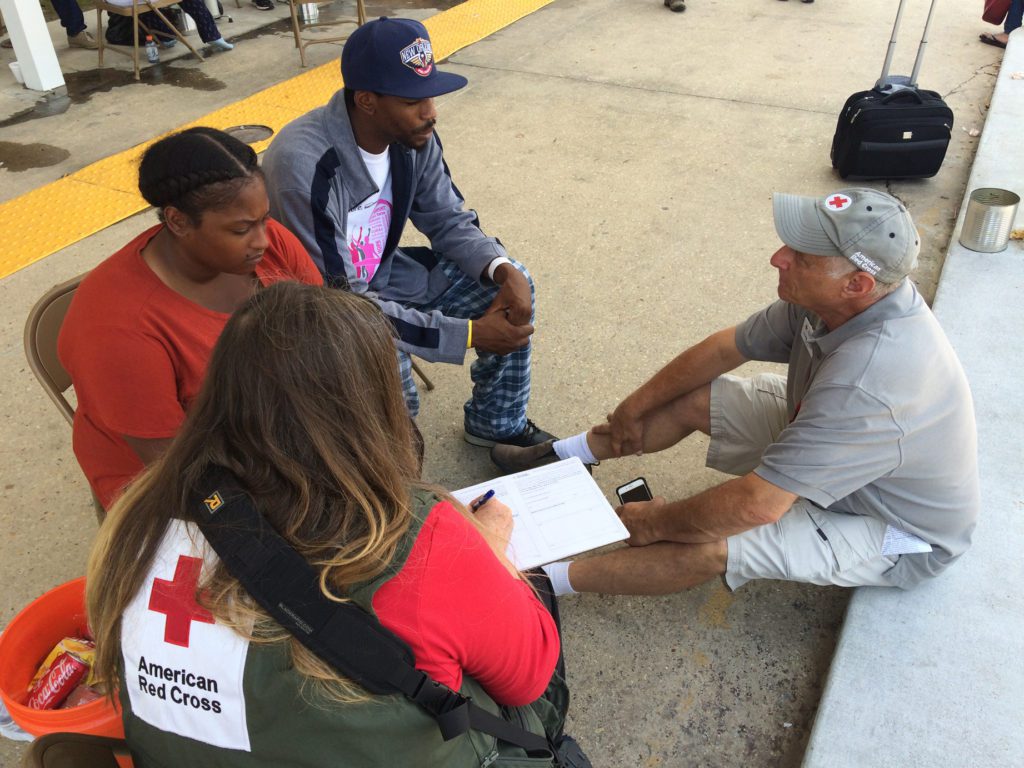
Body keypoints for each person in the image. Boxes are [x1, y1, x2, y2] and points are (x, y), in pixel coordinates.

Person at [85, 282, 582, 766]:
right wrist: (491, 548)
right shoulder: (418, 537)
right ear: (372, 408)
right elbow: (529, 679)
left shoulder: (140, 510)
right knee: (527, 633)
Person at [495, 188, 979, 597]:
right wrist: (630, 409)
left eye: (801, 257)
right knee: (690, 399)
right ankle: (564, 456)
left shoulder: (872, 384)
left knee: (711, 543)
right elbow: (726, 348)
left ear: (858, 283)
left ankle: (535, 583)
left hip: (894, 526)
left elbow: (756, 504)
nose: (778, 258)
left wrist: (656, 524)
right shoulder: (828, 303)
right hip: (837, 441)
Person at [262, 17, 554, 454]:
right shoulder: (302, 165)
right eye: (412, 100)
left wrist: (501, 267)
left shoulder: (412, 135)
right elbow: (344, 302)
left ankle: (496, 424)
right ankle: (390, 479)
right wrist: (469, 335)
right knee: (395, 396)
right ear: (366, 101)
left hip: (386, 279)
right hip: (317, 311)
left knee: (515, 285)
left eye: (430, 94)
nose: (431, 112)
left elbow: (446, 218)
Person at [58, 127, 321, 511]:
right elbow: (181, 474)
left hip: (270, 434)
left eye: (264, 219)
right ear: (178, 221)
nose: (263, 240)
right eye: (241, 229)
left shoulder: (268, 245)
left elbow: (323, 336)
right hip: (179, 485)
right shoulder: (117, 330)